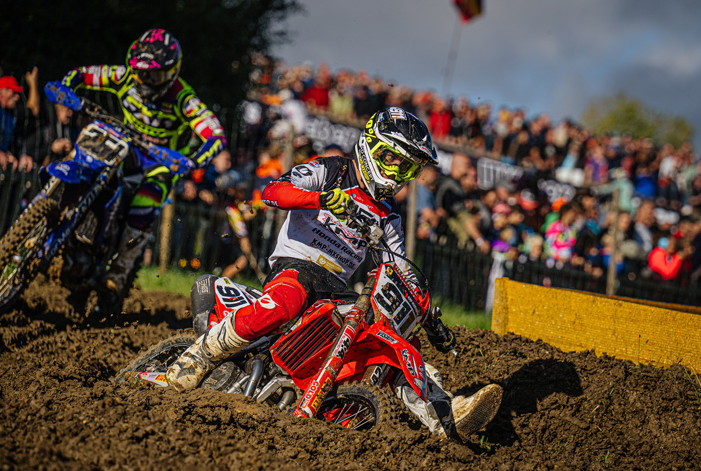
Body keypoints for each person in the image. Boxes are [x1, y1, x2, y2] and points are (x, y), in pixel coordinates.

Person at [167, 107, 502, 441]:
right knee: (288, 300)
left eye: (407, 167)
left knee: (392, 335)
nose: (396, 171)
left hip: (336, 289)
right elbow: (273, 192)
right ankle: (200, 355)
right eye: (391, 158)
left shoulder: (389, 214)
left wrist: (427, 316)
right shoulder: (332, 171)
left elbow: (401, 269)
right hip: (296, 266)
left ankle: (444, 412)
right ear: (371, 147)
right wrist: (323, 199)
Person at [61, 28, 226, 295]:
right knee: (87, 161)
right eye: (140, 72)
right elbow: (81, 74)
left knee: (144, 206)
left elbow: (216, 135)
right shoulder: (123, 76)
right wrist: (66, 93)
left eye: (154, 75)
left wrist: (194, 161)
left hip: (162, 162)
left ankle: (120, 270)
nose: (145, 80)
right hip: (126, 146)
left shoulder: (183, 98)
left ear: (171, 72)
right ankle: (58, 214)